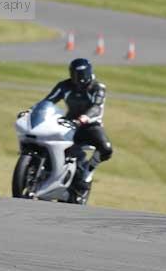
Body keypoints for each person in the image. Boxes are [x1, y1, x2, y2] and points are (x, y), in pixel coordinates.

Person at [43, 57, 113, 203]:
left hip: (90, 126)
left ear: (88, 73)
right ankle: (44, 172)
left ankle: (88, 172)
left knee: (106, 149)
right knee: (47, 141)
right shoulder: (64, 85)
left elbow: (96, 107)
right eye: (74, 74)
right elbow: (48, 101)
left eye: (81, 75)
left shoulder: (98, 87)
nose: (78, 79)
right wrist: (34, 111)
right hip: (69, 123)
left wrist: (84, 118)